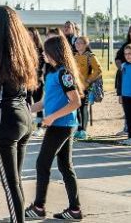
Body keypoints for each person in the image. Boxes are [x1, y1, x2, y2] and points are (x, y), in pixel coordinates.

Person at [0, 6, 38, 223]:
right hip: (24, 116)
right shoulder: (22, 52)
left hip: (6, 120)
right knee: (16, 182)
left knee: (10, 184)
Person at [25, 34, 84, 221]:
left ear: (56, 52)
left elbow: (75, 102)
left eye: (46, 51)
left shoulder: (64, 73)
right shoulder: (51, 73)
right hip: (59, 124)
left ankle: (39, 207)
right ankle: (75, 210)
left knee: (42, 164)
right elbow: (44, 102)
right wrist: (25, 109)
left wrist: (52, 118)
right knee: (65, 166)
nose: (43, 54)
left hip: (62, 125)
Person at [73, 36, 102, 140]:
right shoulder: (74, 56)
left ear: (85, 45)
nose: (77, 45)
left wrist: (88, 80)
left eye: (80, 43)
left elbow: (98, 70)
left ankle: (83, 131)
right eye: (76, 43)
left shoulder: (90, 56)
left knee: (83, 107)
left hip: (85, 87)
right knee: (76, 107)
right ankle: (79, 129)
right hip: (74, 87)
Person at [28, 28, 46, 137]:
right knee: (26, 104)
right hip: (25, 81)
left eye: (30, 35)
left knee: (38, 104)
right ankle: (27, 126)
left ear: (35, 36)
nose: (28, 37)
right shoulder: (24, 48)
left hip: (37, 81)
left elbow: (41, 67)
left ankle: (40, 127)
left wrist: (37, 79)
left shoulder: (40, 50)